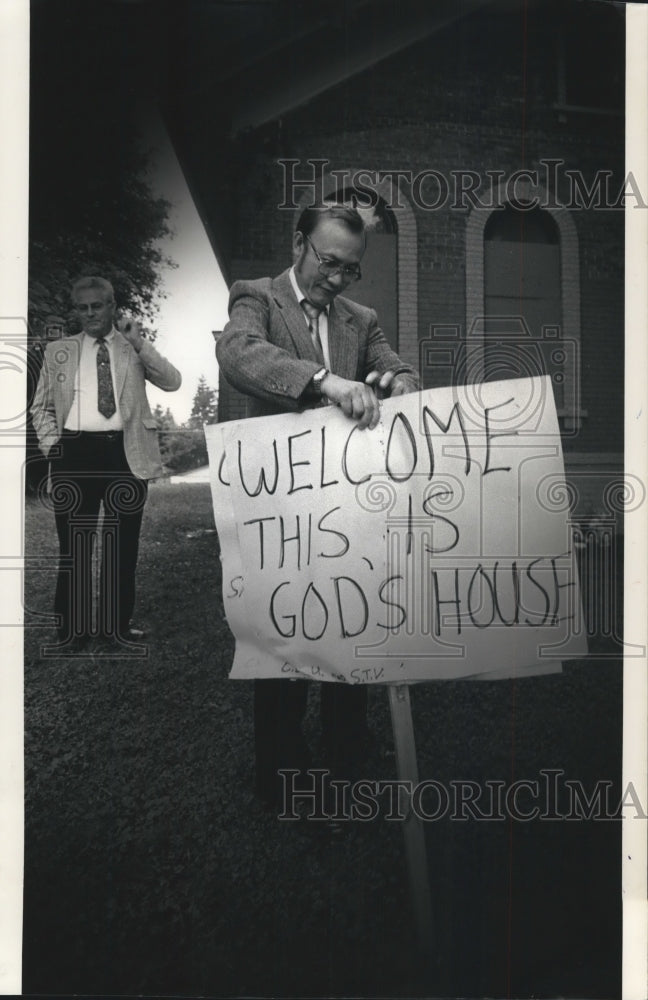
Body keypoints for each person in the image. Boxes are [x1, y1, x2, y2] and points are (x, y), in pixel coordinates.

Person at [216, 205, 420, 807]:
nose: (337, 278)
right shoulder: (255, 296)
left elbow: (399, 369)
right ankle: (281, 771)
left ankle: (348, 750)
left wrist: (399, 384)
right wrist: (324, 381)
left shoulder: (363, 317)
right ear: (299, 244)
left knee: (350, 627)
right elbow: (238, 354)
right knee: (284, 640)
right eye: (329, 262)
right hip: (275, 509)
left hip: (347, 509)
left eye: (350, 270)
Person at [31, 276, 182, 650]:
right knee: (74, 546)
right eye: (81, 308)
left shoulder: (133, 347)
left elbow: (173, 381)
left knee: (122, 546)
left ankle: (116, 627)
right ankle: (73, 631)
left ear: (112, 306)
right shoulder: (59, 352)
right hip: (74, 455)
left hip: (124, 455)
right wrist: (54, 449)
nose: (89, 314)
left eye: (96, 306)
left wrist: (138, 341)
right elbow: (41, 409)